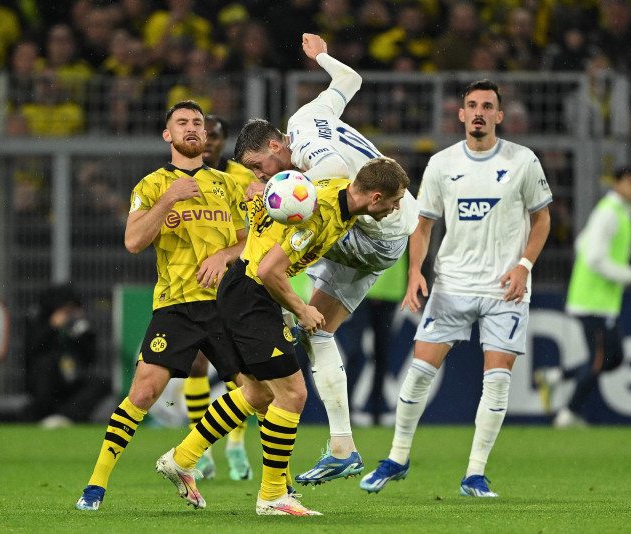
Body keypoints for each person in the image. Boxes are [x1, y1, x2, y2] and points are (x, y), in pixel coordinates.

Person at [156, 156, 411, 516]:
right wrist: (301, 308)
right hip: (253, 293)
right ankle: (273, 495)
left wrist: (259, 193)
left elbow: (277, 200)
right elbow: (270, 269)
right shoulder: (318, 215)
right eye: (395, 199)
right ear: (374, 198)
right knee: (292, 394)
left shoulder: (332, 187)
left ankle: (181, 459)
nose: (397, 207)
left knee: (258, 393)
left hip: (245, 290)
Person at [232, 33, 419, 486]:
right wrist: (323, 58)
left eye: (259, 166)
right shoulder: (306, 115)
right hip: (383, 229)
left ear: (277, 146)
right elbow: (351, 79)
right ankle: (342, 447)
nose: (260, 175)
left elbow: (334, 171)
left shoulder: (310, 156)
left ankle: (263, 307)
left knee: (273, 255)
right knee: (315, 327)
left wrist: (274, 192)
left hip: (375, 228)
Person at [359, 79, 552, 498]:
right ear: (461, 114)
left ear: (499, 115)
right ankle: (396, 458)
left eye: (487, 105)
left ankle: (475, 475)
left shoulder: (523, 161)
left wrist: (523, 266)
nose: (479, 112)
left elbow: (542, 220)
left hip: (506, 287)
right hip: (453, 284)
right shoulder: (442, 164)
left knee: (497, 383)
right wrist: (414, 273)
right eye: (472, 105)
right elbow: (423, 224)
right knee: (417, 373)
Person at [75, 100, 247, 511]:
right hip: (177, 306)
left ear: (206, 137)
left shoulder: (228, 185)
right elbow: (134, 242)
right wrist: (169, 198)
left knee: (259, 393)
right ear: (167, 135)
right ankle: (95, 486)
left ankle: (263, 483)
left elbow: (248, 241)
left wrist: (224, 256)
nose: (192, 128)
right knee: (144, 391)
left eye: (198, 124)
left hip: (226, 305)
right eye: (182, 123)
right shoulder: (151, 186)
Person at [534, 166, 631, 428]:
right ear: (617, 184)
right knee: (601, 360)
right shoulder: (610, 215)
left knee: (613, 358)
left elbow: (581, 245)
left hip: (600, 300)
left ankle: (554, 377)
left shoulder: (613, 212)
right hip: (593, 301)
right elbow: (594, 258)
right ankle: (567, 416)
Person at [183, 114, 257, 482]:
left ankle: (236, 444)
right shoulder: (178, 178)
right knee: (196, 365)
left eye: (214, 136)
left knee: (238, 367)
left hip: (234, 280)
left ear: (224, 142)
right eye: (201, 134)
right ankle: (202, 449)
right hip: (193, 281)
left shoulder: (244, 178)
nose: (207, 141)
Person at [24, 284, 109, 427]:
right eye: (64, 310)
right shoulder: (39, 323)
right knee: (45, 366)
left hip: (72, 381)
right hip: (47, 383)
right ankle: (44, 417)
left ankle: (65, 418)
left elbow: (90, 358)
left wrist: (79, 333)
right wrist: (52, 326)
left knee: (100, 383)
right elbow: (31, 353)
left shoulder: (79, 327)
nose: (67, 314)